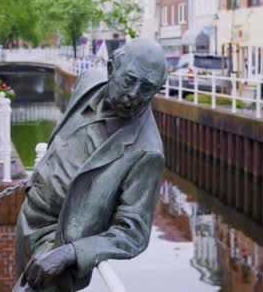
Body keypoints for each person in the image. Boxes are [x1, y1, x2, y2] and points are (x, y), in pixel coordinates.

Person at [14, 38, 168, 291]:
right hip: (28, 218)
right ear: (111, 69)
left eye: (147, 89)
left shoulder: (147, 152)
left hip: (57, 244)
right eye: (129, 80)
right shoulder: (88, 83)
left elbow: (133, 234)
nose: (134, 95)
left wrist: (71, 253)